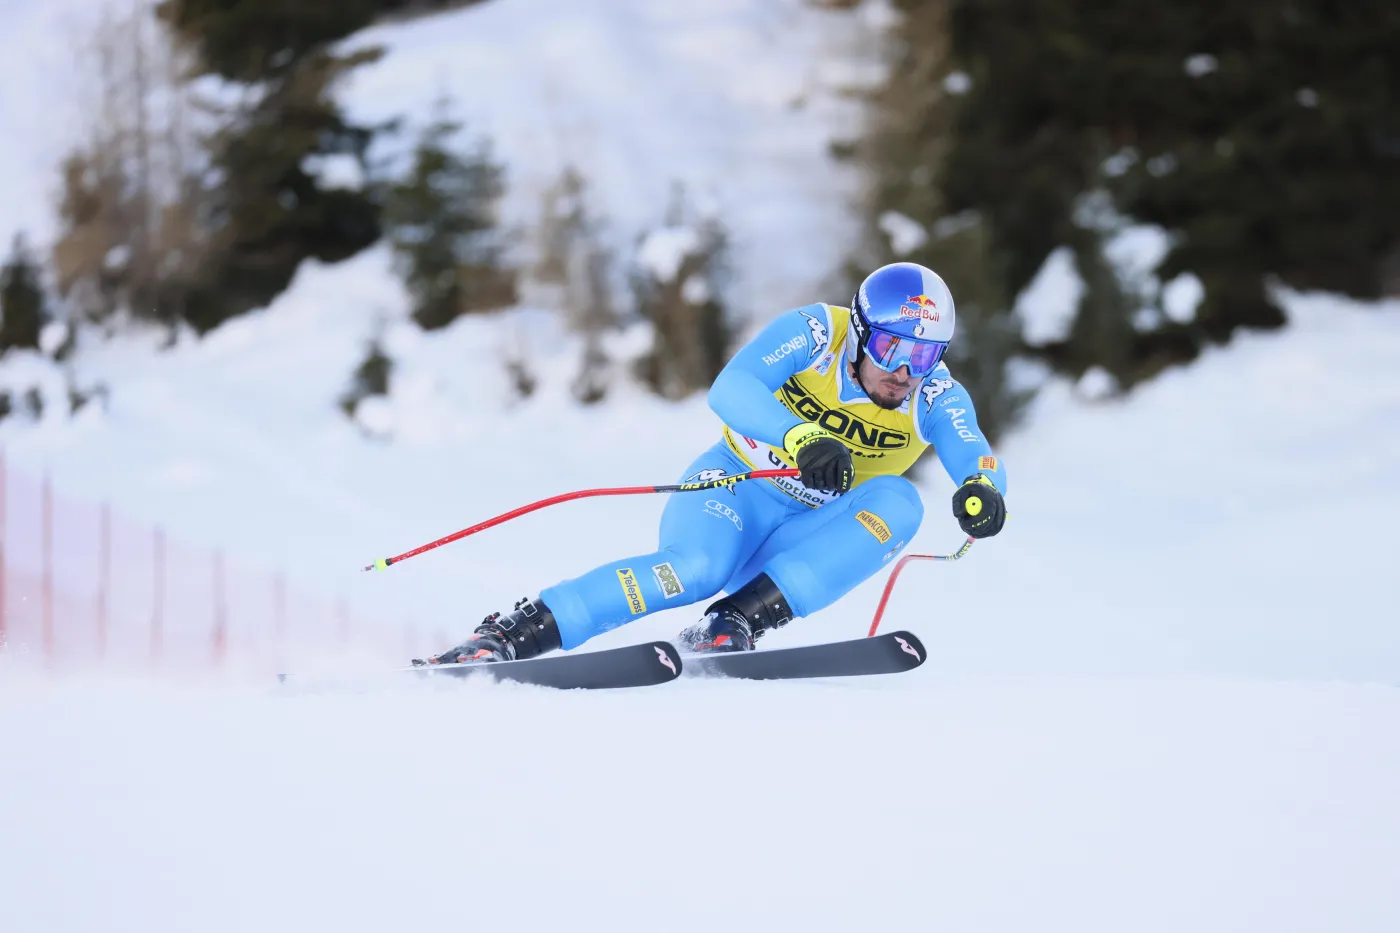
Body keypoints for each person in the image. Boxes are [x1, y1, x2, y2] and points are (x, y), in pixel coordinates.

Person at [417, 261, 1008, 665]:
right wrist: (802, 438)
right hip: (733, 491)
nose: (904, 371)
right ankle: (509, 637)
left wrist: (984, 489)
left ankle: (731, 624)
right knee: (693, 569)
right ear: (858, 332)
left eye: (926, 354)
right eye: (892, 348)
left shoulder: (932, 392)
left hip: (806, 534)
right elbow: (732, 386)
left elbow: (972, 448)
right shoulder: (814, 333)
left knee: (901, 502)